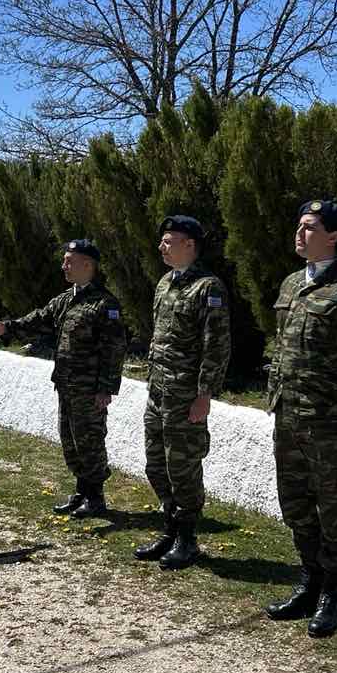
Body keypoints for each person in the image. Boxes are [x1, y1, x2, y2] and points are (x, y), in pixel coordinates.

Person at [265, 199, 337, 637]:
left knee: (333, 505)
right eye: (299, 225)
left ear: (333, 236)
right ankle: (310, 580)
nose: (300, 233)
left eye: (310, 227)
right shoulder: (292, 284)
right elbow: (282, 348)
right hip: (289, 417)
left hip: (329, 421)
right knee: (295, 502)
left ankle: (333, 590)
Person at [0, 239, 127, 518]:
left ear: (87, 265)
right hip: (66, 385)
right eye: (64, 261)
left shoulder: (104, 304)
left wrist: (105, 389)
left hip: (89, 389)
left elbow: (114, 349)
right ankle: (82, 491)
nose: (64, 266)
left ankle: (96, 498)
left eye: (70, 261)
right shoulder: (66, 300)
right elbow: (38, 320)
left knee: (90, 441)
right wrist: (5, 327)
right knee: (70, 440)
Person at [135, 215, 231, 571]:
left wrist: (204, 394)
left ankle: (187, 539)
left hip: (186, 395)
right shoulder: (164, 283)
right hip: (159, 391)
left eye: (168, 241)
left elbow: (216, 345)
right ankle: (170, 530)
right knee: (155, 463)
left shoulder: (208, 288)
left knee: (183, 467)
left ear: (189, 245)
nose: (161, 246)